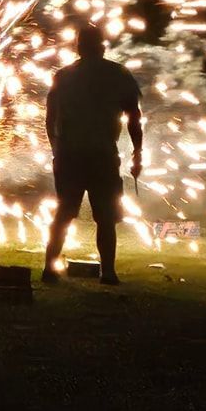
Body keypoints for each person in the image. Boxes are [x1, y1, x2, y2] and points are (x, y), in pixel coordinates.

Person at [43, 25, 142, 285]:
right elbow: (134, 117)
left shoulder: (63, 76)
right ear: (102, 45)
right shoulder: (117, 74)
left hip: (71, 156)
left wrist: (56, 147)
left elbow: (49, 119)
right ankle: (107, 272)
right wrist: (137, 152)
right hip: (101, 156)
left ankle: (50, 268)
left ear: (79, 47)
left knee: (64, 213)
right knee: (106, 217)